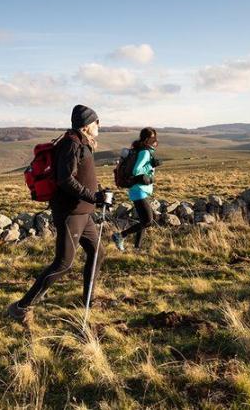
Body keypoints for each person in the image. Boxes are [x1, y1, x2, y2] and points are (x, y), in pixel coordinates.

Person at [8, 105, 109, 322]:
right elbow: (65, 179)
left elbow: (82, 176)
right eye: (96, 122)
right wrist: (93, 197)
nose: (98, 125)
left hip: (83, 213)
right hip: (70, 213)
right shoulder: (71, 144)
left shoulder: (81, 143)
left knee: (97, 253)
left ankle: (88, 300)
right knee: (63, 264)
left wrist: (99, 194)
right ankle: (21, 307)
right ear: (86, 125)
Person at [111, 127, 161, 251]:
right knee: (148, 221)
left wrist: (151, 165)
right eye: (152, 138)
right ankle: (120, 235)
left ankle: (137, 248)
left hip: (139, 190)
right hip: (139, 189)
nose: (155, 140)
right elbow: (136, 170)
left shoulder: (143, 150)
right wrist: (149, 169)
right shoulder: (145, 152)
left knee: (143, 220)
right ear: (147, 139)